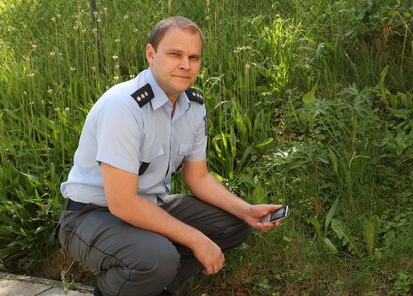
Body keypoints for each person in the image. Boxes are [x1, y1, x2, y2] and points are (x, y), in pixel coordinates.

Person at [56, 16, 283, 296]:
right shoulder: (123, 107)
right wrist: (196, 239)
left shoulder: (194, 107)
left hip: (151, 204)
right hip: (89, 215)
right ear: (151, 54)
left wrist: (246, 210)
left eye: (194, 57)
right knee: (157, 258)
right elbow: (123, 203)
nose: (185, 65)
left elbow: (197, 177)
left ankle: (154, 289)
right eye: (175, 54)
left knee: (232, 225)